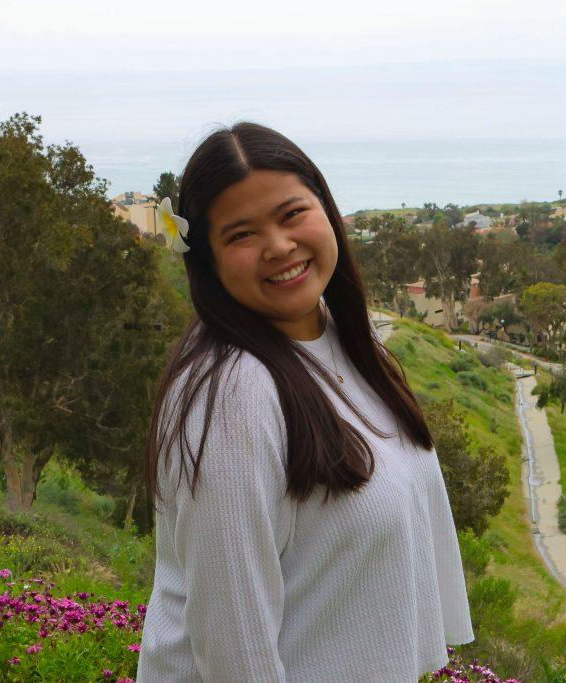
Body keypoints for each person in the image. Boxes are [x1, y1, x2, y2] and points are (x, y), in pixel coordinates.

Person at [136, 122, 474, 682]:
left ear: (326, 208)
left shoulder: (345, 340)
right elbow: (231, 639)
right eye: (241, 235)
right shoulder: (231, 394)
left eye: (292, 214)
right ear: (209, 262)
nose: (278, 246)